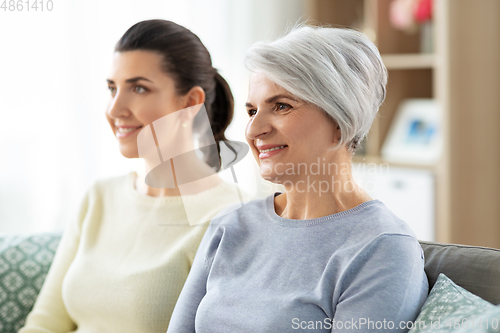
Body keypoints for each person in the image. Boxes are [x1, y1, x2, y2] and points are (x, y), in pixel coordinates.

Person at [167, 26, 429, 333]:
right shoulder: (229, 226)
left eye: (281, 106)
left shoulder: (382, 249)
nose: (253, 130)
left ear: (340, 123)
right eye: (252, 110)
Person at [20, 19, 242, 333]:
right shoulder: (98, 198)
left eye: (138, 88)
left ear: (190, 103)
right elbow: (44, 324)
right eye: (112, 88)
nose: (115, 109)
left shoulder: (231, 217)